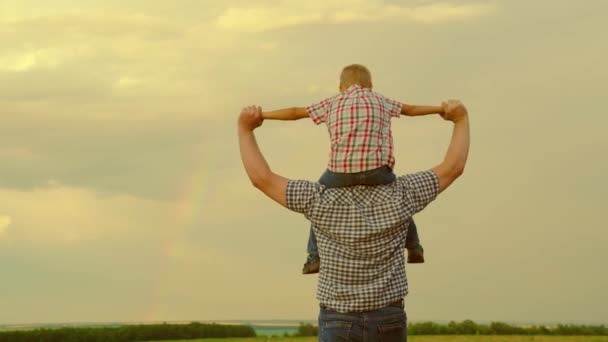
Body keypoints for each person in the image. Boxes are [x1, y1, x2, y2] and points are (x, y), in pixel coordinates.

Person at [237, 99, 470, 341]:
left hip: (337, 318)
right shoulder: (403, 195)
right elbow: (453, 167)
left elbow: (261, 178)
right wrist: (460, 119)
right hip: (389, 317)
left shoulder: (318, 199)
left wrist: (245, 128)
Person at [262, 64, 446, 273]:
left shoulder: (332, 102)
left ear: (341, 87)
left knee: (314, 203)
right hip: (379, 171)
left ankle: (314, 256)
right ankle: (414, 247)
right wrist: (441, 109)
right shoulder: (381, 100)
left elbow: (295, 112)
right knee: (402, 200)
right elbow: (412, 110)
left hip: (340, 173)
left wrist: (263, 115)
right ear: (371, 86)